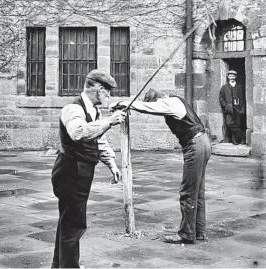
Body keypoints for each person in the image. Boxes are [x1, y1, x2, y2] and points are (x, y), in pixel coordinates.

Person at [110, 88, 211, 244]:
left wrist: (124, 103)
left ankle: (186, 234)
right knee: (198, 190)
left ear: (159, 99)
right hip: (202, 142)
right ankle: (199, 231)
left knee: (188, 191)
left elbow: (150, 108)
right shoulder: (174, 101)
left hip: (195, 145)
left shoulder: (169, 103)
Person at [51, 69, 126, 268]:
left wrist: (112, 164)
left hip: (81, 171)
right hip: (70, 171)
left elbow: (98, 140)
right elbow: (78, 133)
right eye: (108, 91)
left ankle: (59, 265)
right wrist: (109, 122)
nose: (109, 96)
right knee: (74, 224)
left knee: (68, 221)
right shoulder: (72, 109)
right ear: (99, 90)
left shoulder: (94, 111)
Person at [219, 70, 245, 145]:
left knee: (237, 123)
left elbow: (243, 98)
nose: (231, 77)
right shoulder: (224, 87)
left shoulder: (239, 86)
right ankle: (241, 135)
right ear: (228, 77)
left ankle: (235, 140)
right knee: (229, 123)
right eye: (230, 76)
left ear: (235, 77)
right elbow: (221, 97)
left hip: (238, 107)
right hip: (229, 108)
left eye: (233, 76)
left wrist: (242, 108)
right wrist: (225, 105)